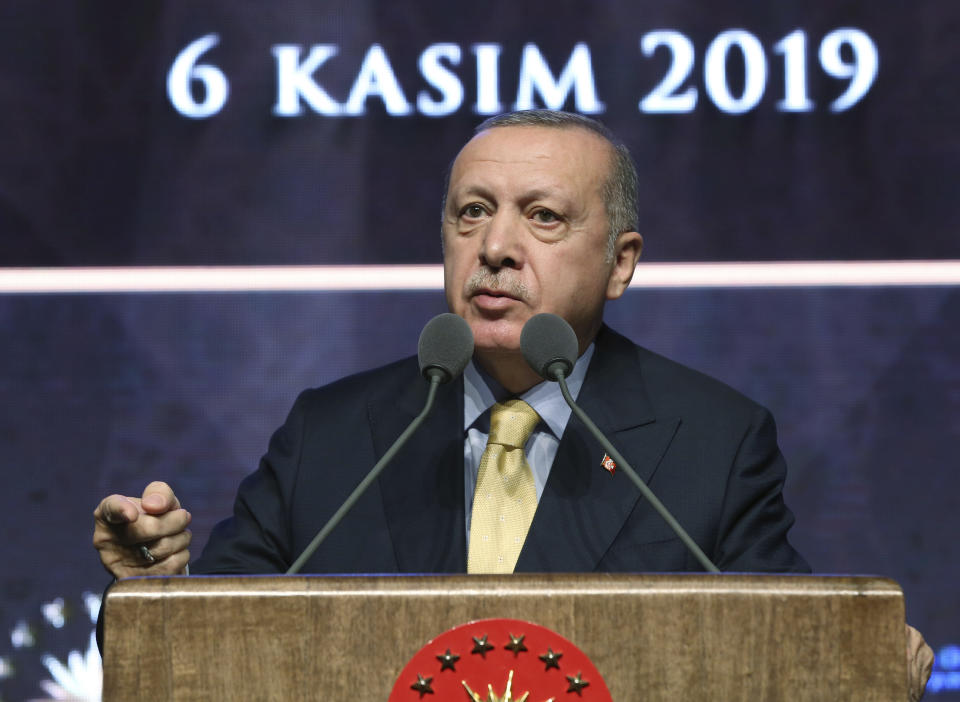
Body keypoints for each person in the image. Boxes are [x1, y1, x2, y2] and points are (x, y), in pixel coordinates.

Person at [92, 110, 933, 697]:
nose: (496, 247)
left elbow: (781, 666)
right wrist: (157, 595)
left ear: (620, 261)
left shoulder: (714, 440)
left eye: (542, 217)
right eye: (472, 215)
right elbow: (198, 662)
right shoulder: (334, 434)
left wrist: (857, 674)